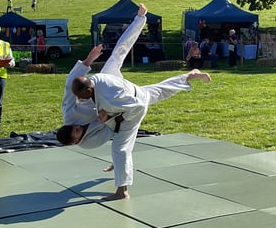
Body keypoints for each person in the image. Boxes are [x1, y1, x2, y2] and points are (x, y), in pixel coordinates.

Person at [69, 68, 211, 201]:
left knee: (120, 148)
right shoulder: (96, 79)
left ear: (88, 89)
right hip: (136, 92)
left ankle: (122, 191)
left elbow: (139, 106)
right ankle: (189, 76)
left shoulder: (110, 98)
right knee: (162, 89)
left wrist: (120, 118)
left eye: (81, 96)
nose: (81, 99)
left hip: (134, 111)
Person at [59, 3, 150, 151]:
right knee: (146, 96)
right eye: (77, 130)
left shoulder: (69, 114)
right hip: (114, 108)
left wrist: (88, 60)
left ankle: (140, 17)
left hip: (100, 88)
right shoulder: (90, 143)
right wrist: (107, 119)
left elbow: (70, 84)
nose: (77, 126)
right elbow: (113, 131)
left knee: (116, 56)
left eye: (73, 126)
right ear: (76, 141)